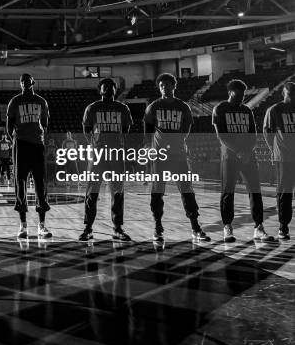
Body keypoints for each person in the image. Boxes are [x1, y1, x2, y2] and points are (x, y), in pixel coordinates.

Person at [144, 73, 210, 243]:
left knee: (187, 190)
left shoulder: (183, 107)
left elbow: (187, 128)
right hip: (160, 156)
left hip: (179, 155)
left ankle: (195, 227)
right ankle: (157, 227)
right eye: (162, 85)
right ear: (159, 88)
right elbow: (148, 131)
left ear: (174, 86)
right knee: (157, 191)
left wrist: (178, 141)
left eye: (168, 84)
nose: (165, 87)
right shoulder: (153, 106)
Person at [213, 79, 273, 242]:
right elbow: (221, 135)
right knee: (228, 192)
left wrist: (247, 152)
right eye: (238, 94)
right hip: (230, 157)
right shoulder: (220, 109)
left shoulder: (247, 110)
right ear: (230, 92)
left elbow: (253, 134)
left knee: (255, 191)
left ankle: (259, 227)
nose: (241, 97)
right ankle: (227, 227)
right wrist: (239, 151)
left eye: (243, 94)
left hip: (248, 156)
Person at [80, 77, 133, 242]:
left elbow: (126, 129)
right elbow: (86, 130)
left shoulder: (123, 108)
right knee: (92, 193)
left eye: (112, 86)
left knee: (117, 193)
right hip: (97, 157)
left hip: (116, 156)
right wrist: (96, 145)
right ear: (100, 90)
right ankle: (88, 228)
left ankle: (117, 228)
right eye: (105, 86)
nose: (109, 89)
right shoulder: (92, 108)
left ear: (115, 90)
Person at [7, 73, 52, 240]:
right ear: (20, 84)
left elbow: (45, 125)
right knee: (21, 183)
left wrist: (36, 135)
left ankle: (41, 225)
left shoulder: (41, 101)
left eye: (28, 81)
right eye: (22, 81)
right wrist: (18, 139)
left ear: (33, 82)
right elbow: (9, 126)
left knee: (41, 184)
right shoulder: (15, 101)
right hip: (21, 145)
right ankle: (23, 225)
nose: (25, 83)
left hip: (37, 145)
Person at [263, 81, 295, 240]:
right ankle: (283, 226)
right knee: (285, 192)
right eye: (290, 94)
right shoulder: (274, 110)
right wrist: (274, 150)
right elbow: (267, 133)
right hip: (284, 158)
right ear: (284, 94)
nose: (293, 97)